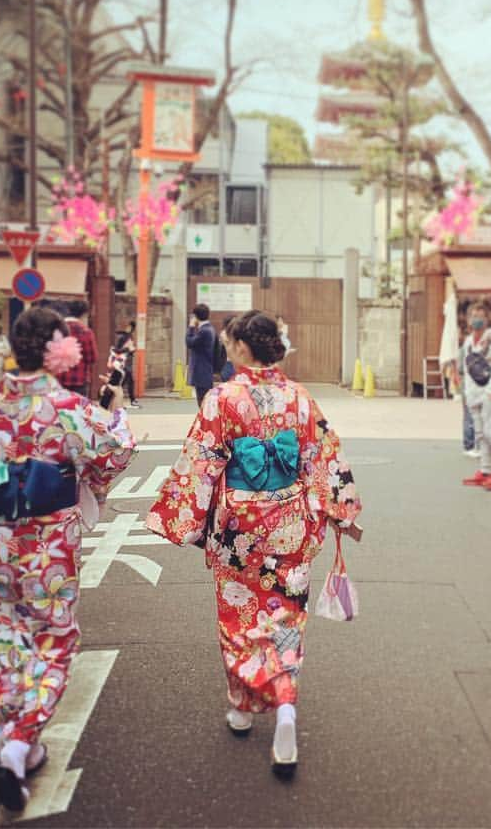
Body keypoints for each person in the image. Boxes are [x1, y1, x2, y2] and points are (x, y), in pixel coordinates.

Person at [0, 307, 136, 812]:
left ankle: (18, 742)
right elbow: (115, 451)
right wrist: (115, 410)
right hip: (47, 547)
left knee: (8, 643)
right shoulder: (66, 407)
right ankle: (17, 746)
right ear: (61, 349)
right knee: (54, 642)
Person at [147, 310, 362, 774]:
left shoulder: (223, 398)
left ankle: (242, 706)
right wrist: (340, 509)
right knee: (285, 614)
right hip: (290, 523)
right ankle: (285, 705)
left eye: (229, 341)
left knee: (240, 616)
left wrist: (181, 519)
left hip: (238, 528)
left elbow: (201, 460)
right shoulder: (300, 398)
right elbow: (324, 455)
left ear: (243, 347)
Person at [461, 301, 491, 490]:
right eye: (473, 315)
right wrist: (469, 395)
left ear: (487, 319)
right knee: (480, 434)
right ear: (468, 318)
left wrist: (490, 391)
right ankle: (485, 470)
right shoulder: (468, 341)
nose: (476, 319)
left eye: (480, 316)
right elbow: (467, 369)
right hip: (475, 393)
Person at [62, 300, 98, 399]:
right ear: (84, 314)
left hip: (58, 379)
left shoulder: (58, 329)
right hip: (79, 379)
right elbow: (92, 358)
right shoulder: (85, 332)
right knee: (78, 410)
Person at [186, 303, 218, 406]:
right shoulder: (209, 329)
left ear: (195, 316)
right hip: (205, 372)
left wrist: (191, 327)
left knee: (203, 404)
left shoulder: (204, 331)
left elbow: (189, 342)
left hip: (202, 373)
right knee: (204, 403)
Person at [108, 321, 140, 408]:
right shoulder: (122, 337)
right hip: (122, 363)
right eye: (129, 327)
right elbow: (117, 350)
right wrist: (127, 349)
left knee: (125, 382)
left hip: (127, 362)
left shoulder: (129, 337)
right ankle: (130, 400)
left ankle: (121, 400)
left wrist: (131, 350)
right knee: (127, 381)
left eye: (132, 328)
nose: (130, 329)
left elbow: (129, 349)